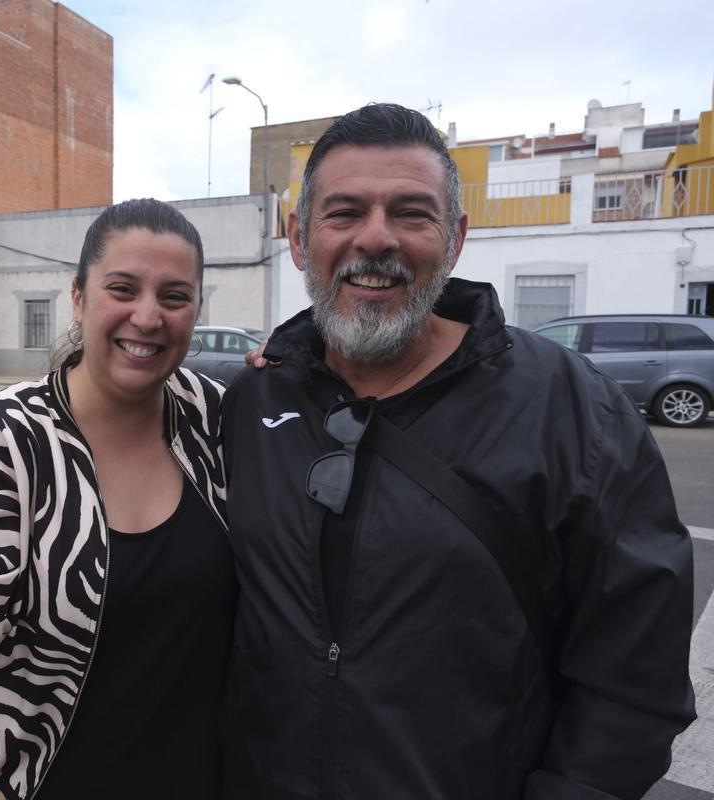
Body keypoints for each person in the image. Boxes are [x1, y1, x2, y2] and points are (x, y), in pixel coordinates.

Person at [222, 103, 696, 799]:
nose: (375, 239)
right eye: (344, 212)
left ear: (455, 239)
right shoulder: (251, 400)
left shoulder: (572, 410)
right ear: (298, 239)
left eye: (411, 214)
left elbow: (634, 678)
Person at [0, 198, 236, 799]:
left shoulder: (213, 416)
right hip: (19, 783)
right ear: (78, 297)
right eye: (123, 289)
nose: (149, 316)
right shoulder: (14, 433)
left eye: (175, 297)